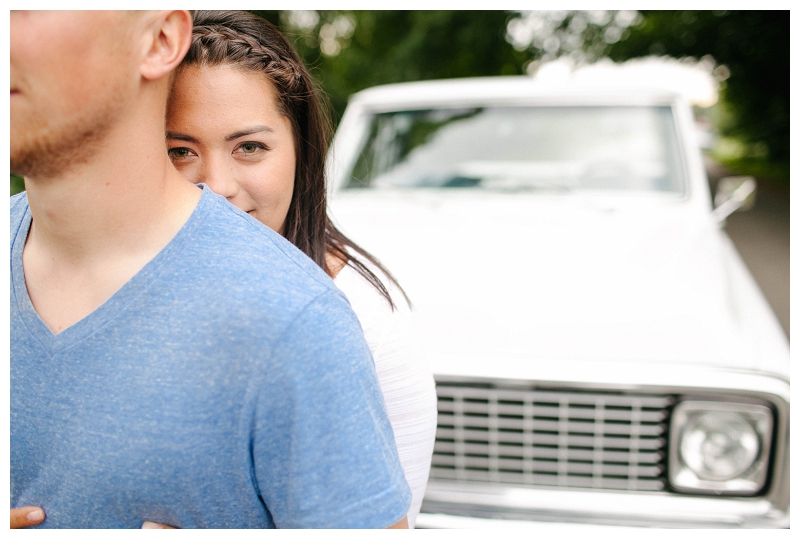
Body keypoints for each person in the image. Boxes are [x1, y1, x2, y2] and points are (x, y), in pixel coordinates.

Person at [10, 10, 410, 529]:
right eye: (181, 149)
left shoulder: (303, 321)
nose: (217, 185)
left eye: (28, 9)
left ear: (158, 39)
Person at [156, 11, 439, 529]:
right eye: (180, 150)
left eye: (250, 148)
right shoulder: (117, 286)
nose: (215, 186)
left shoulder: (359, 324)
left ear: (301, 151)